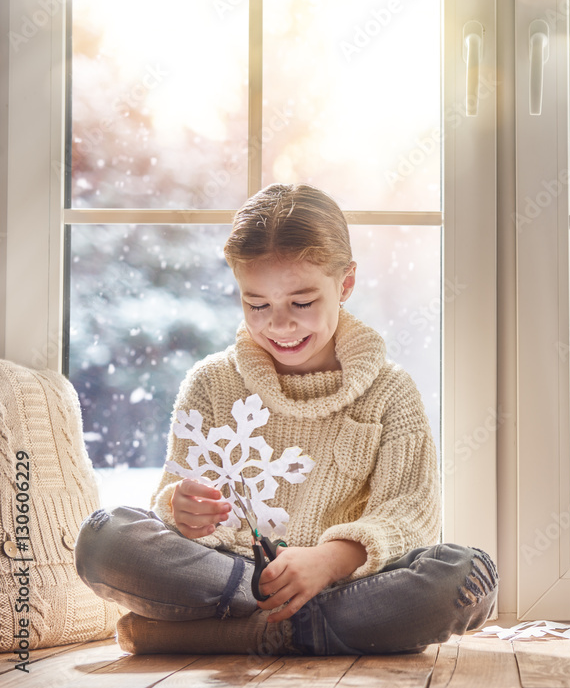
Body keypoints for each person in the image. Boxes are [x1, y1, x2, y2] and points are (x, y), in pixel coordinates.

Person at [75, 183, 498, 655]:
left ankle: (241, 632)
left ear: (346, 283)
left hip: (342, 585)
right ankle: (296, 627)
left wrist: (329, 561)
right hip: (227, 578)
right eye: (257, 304)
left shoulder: (389, 392)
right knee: (101, 540)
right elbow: (173, 513)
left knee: (468, 573)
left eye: (301, 303)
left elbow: (409, 516)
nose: (279, 324)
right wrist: (179, 509)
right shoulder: (211, 382)